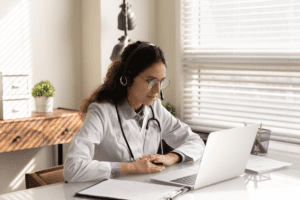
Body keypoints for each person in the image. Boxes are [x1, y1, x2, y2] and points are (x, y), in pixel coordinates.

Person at [63, 41, 205, 183]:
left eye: (161, 81)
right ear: (128, 79)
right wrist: (130, 168)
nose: (157, 90)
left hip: (145, 191)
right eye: (151, 81)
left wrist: (171, 157)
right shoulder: (101, 112)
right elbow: (73, 168)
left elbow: (196, 142)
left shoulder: (155, 109)